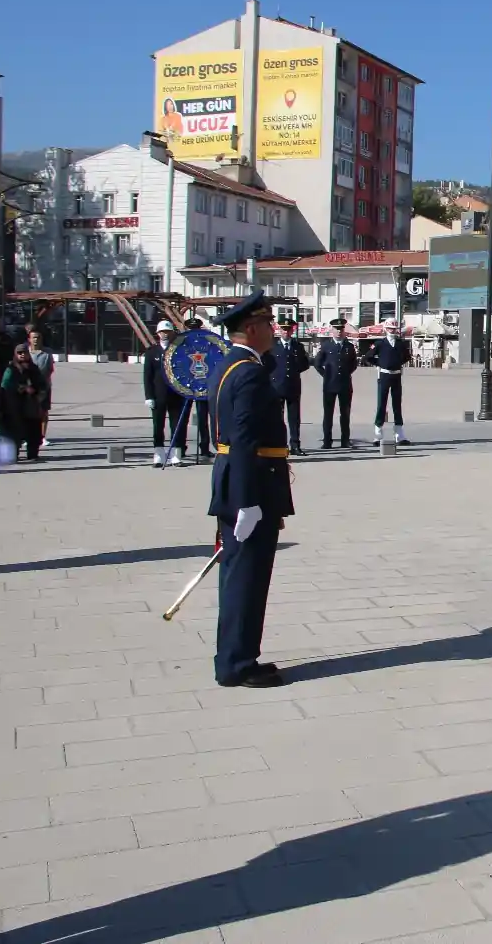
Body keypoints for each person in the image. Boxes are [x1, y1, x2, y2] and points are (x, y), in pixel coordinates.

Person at [208, 290, 293, 689]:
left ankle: (236, 656)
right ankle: (237, 663)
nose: (274, 331)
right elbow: (243, 438)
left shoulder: (229, 365)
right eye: (269, 324)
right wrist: (248, 502)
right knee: (247, 577)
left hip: (236, 477)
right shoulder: (249, 373)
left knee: (239, 574)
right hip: (252, 481)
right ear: (253, 328)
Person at [314, 317, 358, 449]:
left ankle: (345, 440)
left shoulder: (349, 346)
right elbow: (317, 363)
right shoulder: (327, 346)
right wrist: (326, 375)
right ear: (331, 330)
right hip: (329, 385)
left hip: (345, 385)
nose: (339, 331)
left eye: (341, 329)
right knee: (328, 414)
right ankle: (327, 441)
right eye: (336, 329)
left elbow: (354, 364)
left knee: (345, 414)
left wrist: (346, 373)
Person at [0, 343, 47, 461]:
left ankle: (33, 454)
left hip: (31, 405)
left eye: (24, 352)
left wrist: (39, 394)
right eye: (19, 353)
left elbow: (42, 384)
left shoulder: (33, 368)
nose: (22, 355)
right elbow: (5, 385)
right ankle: (13, 454)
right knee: (15, 431)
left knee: (33, 430)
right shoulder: (11, 369)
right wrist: (22, 388)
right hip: (15, 405)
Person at [270, 318, 310, 456]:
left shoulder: (298, 346)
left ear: (293, 330)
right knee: (277, 418)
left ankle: (295, 445)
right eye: (283, 329)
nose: (286, 332)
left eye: (288, 329)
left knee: (294, 419)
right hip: (276, 387)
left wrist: (294, 371)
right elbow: (266, 365)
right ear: (279, 330)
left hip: (293, 386)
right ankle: (279, 445)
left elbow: (305, 364)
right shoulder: (272, 347)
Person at [144, 320, 181, 466]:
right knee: (158, 425)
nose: (165, 334)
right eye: (162, 332)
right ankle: (158, 454)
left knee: (176, 425)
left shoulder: (177, 350)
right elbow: (147, 376)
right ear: (158, 333)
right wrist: (149, 396)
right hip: (158, 395)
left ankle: (175, 454)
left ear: (172, 333)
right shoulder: (152, 352)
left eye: (167, 332)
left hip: (176, 394)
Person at [370, 318, 412, 445]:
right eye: (389, 328)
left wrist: (397, 364)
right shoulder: (380, 343)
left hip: (396, 376)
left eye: (394, 329)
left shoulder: (400, 343)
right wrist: (381, 364)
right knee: (381, 405)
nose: (392, 331)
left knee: (397, 405)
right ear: (385, 329)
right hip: (384, 375)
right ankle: (378, 434)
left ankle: (399, 434)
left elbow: (407, 357)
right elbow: (368, 357)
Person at [182, 316, 214, 462]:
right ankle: (180, 447)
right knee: (182, 418)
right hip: (185, 384)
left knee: (203, 418)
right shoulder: (181, 343)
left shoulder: (206, 342)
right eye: (191, 329)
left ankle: (205, 447)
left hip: (202, 383)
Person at [25, 326, 55, 447]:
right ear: (29, 339)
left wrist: (44, 384)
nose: (36, 340)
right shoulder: (25, 352)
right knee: (28, 413)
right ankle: (29, 436)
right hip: (28, 387)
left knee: (43, 412)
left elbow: (50, 369)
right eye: (33, 338)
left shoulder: (47, 353)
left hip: (43, 387)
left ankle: (42, 437)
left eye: (38, 337)